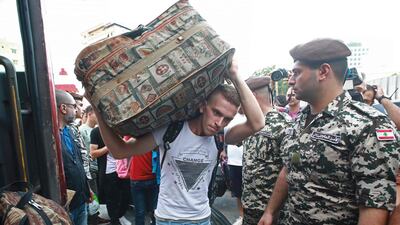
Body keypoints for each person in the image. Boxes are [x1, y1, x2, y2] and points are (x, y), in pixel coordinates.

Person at [89, 61, 265, 225]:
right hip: (168, 219)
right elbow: (120, 151)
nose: (219, 122)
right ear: (203, 106)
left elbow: (257, 123)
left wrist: (234, 74)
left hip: (202, 218)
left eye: (227, 119)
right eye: (216, 112)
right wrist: (97, 110)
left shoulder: (221, 136)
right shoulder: (171, 131)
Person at [258, 38, 400, 225]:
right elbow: (289, 168)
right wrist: (270, 212)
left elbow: (374, 204)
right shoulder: (301, 119)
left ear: (323, 72)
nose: (291, 81)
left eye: (297, 73)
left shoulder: (368, 125)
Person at [241, 76, 292, 225]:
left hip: (270, 210)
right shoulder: (249, 124)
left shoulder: (283, 125)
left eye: (242, 97)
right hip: (250, 204)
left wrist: (272, 210)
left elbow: (289, 169)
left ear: (252, 96)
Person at [55, 90, 90, 225]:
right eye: (73, 106)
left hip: (80, 200)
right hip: (65, 206)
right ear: (63, 108)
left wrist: (87, 190)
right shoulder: (49, 136)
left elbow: (79, 163)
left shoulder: (70, 131)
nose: (76, 110)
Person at [90, 127, 131, 225]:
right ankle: (114, 220)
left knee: (126, 197)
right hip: (108, 171)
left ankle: (118, 216)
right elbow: (93, 153)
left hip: (124, 170)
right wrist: (109, 146)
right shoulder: (96, 131)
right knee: (112, 199)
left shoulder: (121, 129)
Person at [125, 136, 159, 225]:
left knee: (142, 212)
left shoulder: (132, 135)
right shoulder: (154, 136)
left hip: (142, 178)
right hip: (147, 178)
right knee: (153, 210)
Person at [221, 112, 247, 225]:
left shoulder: (250, 116)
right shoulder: (231, 116)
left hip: (247, 160)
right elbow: (224, 135)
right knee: (237, 191)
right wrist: (223, 150)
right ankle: (241, 216)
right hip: (233, 160)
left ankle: (249, 215)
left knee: (248, 190)